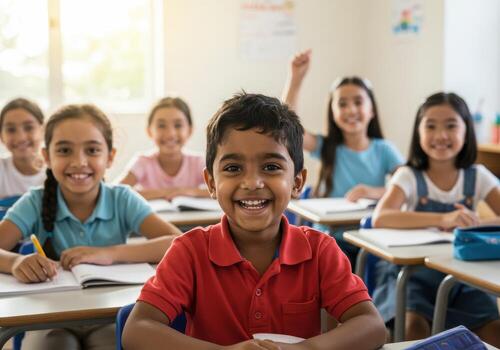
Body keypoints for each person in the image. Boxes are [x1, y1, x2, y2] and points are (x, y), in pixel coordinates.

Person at [122, 92, 386, 350]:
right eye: (233, 168)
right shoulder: (189, 252)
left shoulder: (320, 251)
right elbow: (137, 330)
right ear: (211, 183)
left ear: (297, 182)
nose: (252, 183)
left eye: (271, 167)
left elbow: (372, 325)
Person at [0, 104, 182, 350]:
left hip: (110, 316)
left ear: (110, 157)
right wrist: (15, 262)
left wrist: (108, 254)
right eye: (64, 150)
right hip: (49, 320)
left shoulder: (122, 199)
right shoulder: (35, 201)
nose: (79, 161)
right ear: (46, 157)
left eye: (92, 150)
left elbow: (179, 244)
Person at [372, 92, 500, 345]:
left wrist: (473, 222)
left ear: (466, 131)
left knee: (494, 331)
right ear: (418, 133)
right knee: (413, 329)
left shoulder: (477, 175)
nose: (441, 135)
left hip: (463, 276)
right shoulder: (409, 175)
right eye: (430, 126)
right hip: (413, 274)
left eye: (451, 126)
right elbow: (382, 217)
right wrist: (445, 218)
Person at [282, 50, 404, 268]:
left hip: (370, 236)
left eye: (358, 102)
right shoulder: (328, 147)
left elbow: (410, 187)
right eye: (342, 104)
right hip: (331, 239)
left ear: (372, 110)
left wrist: (373, 192)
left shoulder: (384, 150)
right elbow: (289, 131)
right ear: (332, 111)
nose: (351, 110)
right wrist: (296, 79)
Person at [119, 97, 208, 200]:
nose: (170, 134)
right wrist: (166, 192)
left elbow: (220, 188)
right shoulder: (143, 161)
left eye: (178, 125)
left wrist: (185, 191)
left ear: (190, 130)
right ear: (149, 131)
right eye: (161, 126)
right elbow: (117, 191)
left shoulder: (197, 162)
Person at [0, 98, 46, 199]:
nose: (20, 137)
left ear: (43, 130)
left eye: (29, 128)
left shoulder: (58, 171)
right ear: (1, 136)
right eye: (11, 130)